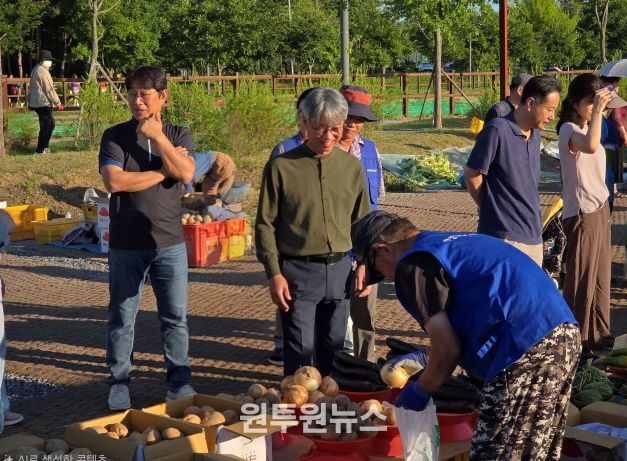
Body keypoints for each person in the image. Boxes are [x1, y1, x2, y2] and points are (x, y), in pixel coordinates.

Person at [352, 210, 579, 460]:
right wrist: (427, 356)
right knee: (532, 451)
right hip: (562, 333)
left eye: (377, 271)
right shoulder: (446, 243)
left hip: (523, 348)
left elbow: (448, 350)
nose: (386, 277)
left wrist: (420, 392)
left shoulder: (413, 266)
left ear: (384, 249)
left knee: (492, 453)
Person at [99, 65, 196, 410]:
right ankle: (119, 382)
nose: (137, 101)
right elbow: (115, 182)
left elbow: (187, 173)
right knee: (122, 317)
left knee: (175, 318)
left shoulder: (178, 134)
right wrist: (163, 171)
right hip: (126, 244)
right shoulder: (115, 136)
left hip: (169, 242)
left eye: (144, 94)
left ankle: (179, 383)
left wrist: (158, 137)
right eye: (132, 94)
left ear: (162, 96)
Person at [255, 88, 370, 376]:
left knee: (335, 351)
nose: (328, 137)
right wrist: (274, 273)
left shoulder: (351, 167)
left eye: (335, 129)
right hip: (298, 273)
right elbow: (265, 224)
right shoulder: (281, 168)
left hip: (341, 272)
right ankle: (298, 405)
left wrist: (366, 263)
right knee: (300, 356)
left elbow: (362, 221)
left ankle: (331, 403)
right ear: (304, 122)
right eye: (319, 128)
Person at [556, 74, 625, 356]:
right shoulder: (568, 129)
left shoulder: (587, 126)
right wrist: (597, 112)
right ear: (574, 103)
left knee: (600, 279)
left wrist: (599, 111)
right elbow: (591, 146)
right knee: (581, 280)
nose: (599, 109)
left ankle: (599, 336)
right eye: (590, 103)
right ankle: (577, 341)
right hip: (582, 213)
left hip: (600, 209)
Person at [464, 76, 562, 266]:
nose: (552, 116)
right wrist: (488, 207)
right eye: (549, 109)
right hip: (504, 236)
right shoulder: (497, 129)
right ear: (531, 103)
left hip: (533, 234)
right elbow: (472, 174)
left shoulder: (535, 135)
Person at [266, 87, 315, 367]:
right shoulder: (284, 151)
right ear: (301, 116)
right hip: (291, 241)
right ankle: (282, 345)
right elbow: (271, 204)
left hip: (320, 242)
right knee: (289, 295)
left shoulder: (335, 154)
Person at [337, 85, 384, 361]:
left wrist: (367, 257)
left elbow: (375, 202)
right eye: (349, 116)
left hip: (365, 246)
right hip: (332, 248)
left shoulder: (370, 151)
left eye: (360, 119)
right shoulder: (322, 153)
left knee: (365, 314)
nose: (353, 124)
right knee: (331, 313)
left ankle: (366, 367)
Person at [27, 50, 63, 154]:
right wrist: (57, 102)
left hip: (38, 102)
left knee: (49, 124)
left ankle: (45, 147)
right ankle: (39, 150)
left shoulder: (36, 69)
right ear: (43, 60)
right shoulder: (42, 71)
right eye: (49, 60)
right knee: (47, 125)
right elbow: (48, 89)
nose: (50, 62)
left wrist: (29, 101)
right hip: (42, 102)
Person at [269, 88, 315, 160]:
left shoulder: (330, 150)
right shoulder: (283, 150)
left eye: (313, 111)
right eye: (301, 111)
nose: (305, 116)